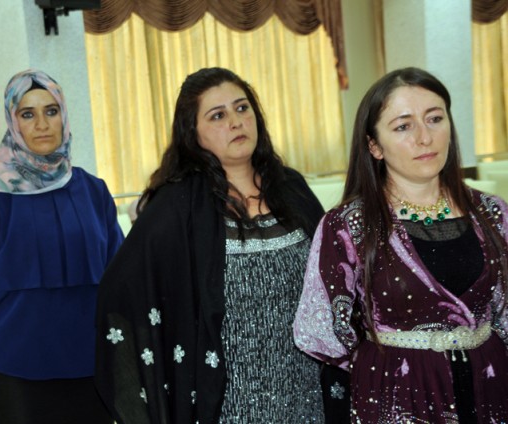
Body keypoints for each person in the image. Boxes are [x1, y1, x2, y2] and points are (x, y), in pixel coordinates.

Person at [95, 67, 334, 423]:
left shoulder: (291, 188)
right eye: (218, 116)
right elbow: (122, 290)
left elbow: (333, 275)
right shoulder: (178, 205)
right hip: (224, 402)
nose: (236, 122)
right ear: (192, 133)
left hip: (306, 392)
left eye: (242, 108)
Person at [294, 67, 508, 423]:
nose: (425, 138)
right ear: (374, 146)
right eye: (403, 126)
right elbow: (320, 331)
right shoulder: (348, 225)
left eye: (435, 119)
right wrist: (386, 359)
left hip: (490, 384)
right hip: (398, 391)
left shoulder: (493, 212)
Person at [0, 69, 124, 424]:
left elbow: (119, 272)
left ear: (64, 116)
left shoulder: (93, 190)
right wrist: (9, 283)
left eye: (51, 111)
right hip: (16, 368)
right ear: (14, 123)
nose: (42, 124)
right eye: (28, 114)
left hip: (90, 365)